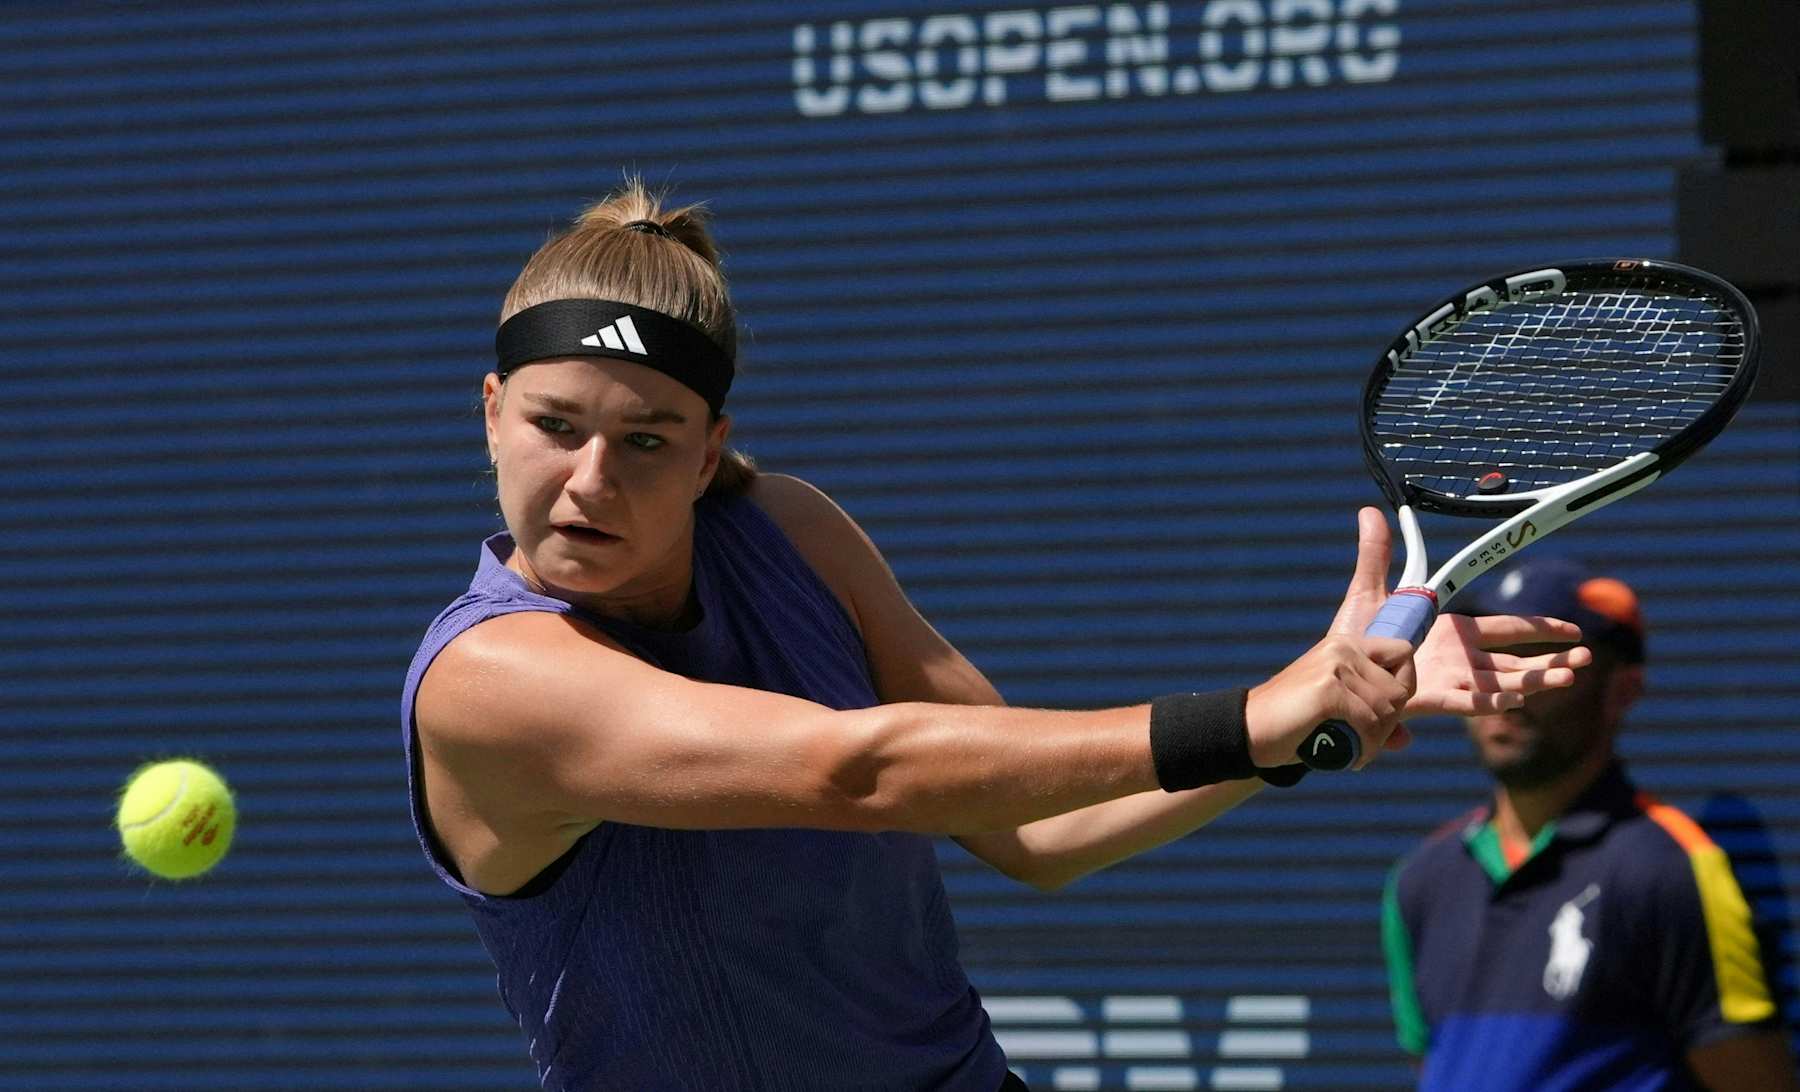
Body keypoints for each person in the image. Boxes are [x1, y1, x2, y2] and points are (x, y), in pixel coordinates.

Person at [401, 179, 1586, 1092]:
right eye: (556, 426)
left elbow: (1037, 828)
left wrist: (1292, 727)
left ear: (710, 451)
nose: (591, 481)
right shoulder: (488, 679)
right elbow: (856, 771)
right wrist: (1258, 714)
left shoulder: (790, 531)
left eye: (648, 440)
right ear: (493, 414)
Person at [1382, 556, 1797, 1091]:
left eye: (1539, 660)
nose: (1506, 688)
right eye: (1490, 656)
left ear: (1622, 689)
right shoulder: (1420, 881)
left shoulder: (1673, 869)